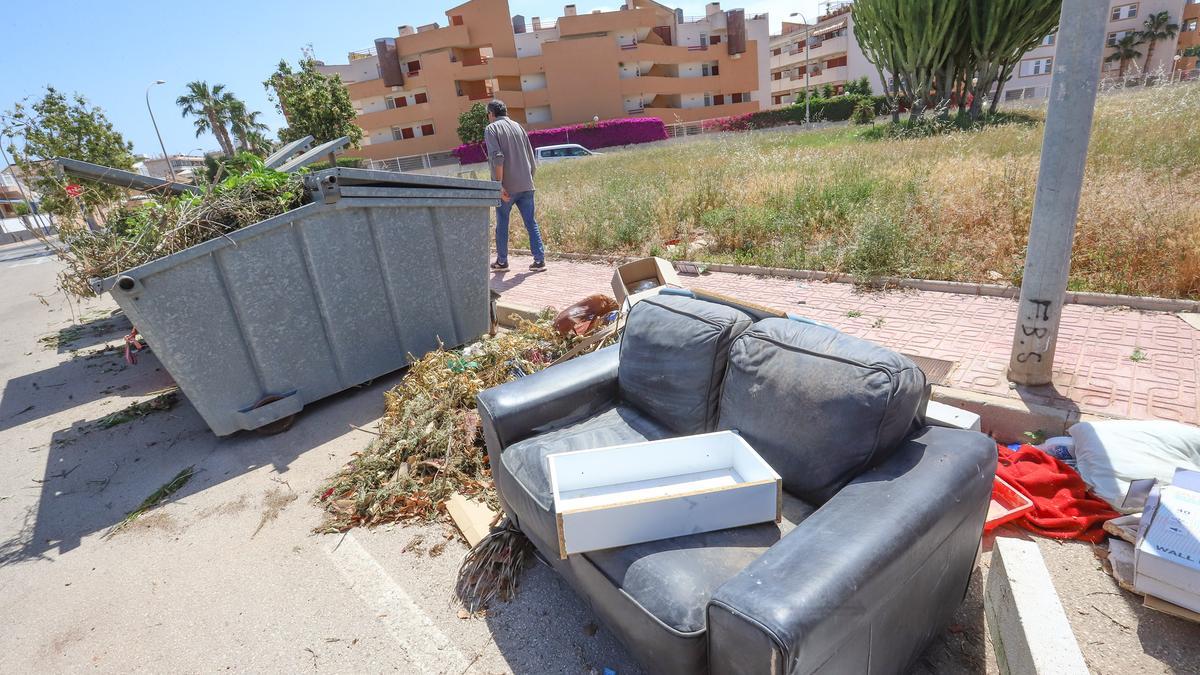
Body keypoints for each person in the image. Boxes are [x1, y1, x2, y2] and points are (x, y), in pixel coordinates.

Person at [484, 100, 546, 272]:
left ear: (491, 113)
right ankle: (540, 260)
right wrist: (529, 179)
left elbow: (498, 157)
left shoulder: (491, 129)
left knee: (502, 224)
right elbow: (531, 159)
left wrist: (499, 186)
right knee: (531, 223)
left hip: (507, 188)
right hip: (527, 184)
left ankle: (502, 262)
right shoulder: (519, 127)